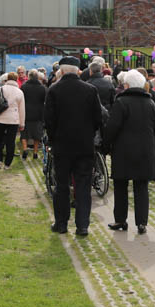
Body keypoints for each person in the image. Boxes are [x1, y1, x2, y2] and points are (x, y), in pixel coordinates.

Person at [44, 56, 103, 235]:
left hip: (62, 145)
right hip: (84, 145)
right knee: (83, 185)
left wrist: (53, 139)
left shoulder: (54, 90)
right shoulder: (90, 90)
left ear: (61, 71)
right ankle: (82, 225)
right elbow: (98, 118)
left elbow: (49, 120)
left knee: (61, 185)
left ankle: (61, 223)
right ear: (78, 71)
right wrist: (89, 134)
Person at [104, 70, 155, 234]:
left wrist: (106, 146)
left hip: (123, 151)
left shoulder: (121, 102)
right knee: (141, 187)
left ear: (127, 85)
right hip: (145, 150)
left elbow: (112, 127)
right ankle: (141, 222)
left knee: (121, 186)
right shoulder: (150, 103)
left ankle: (120, 220)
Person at [0, 72, 25, 169]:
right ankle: (7, 164)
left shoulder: (1, 89)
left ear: (7, 79)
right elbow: (22, 109)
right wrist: (22, 123)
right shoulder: (20, 92)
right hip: (13, 120)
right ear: (16, 79)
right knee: (11, 142)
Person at [19, 68, 47, 160]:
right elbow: (45, 101)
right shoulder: (42, 88)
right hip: (38, 114)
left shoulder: (23, 86)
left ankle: (25, 149)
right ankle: (35, 152)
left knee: (24, 133)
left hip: (26, 112)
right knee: (37, 134)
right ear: (37, 77)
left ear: (29, 76)